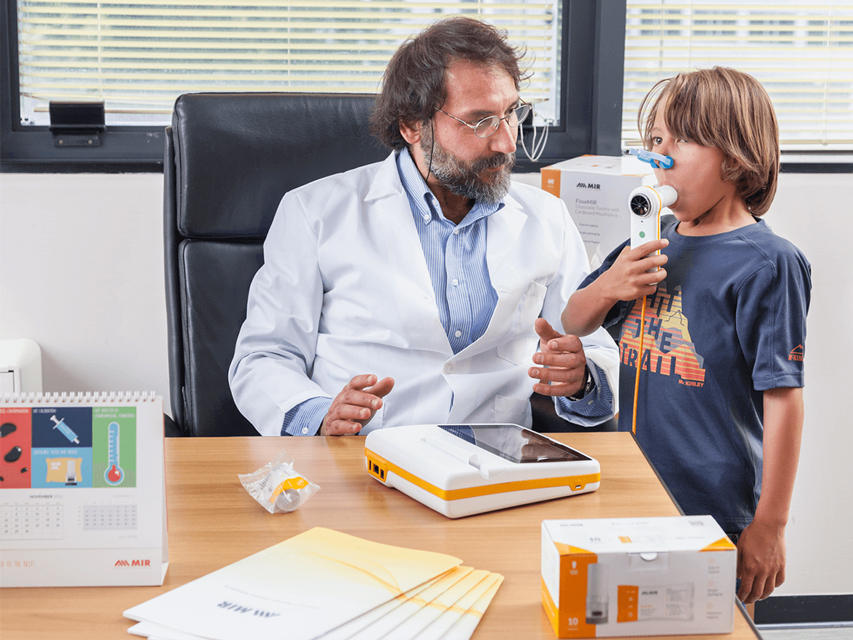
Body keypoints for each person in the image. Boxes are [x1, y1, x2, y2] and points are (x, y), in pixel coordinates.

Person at [228, 16, 619, 438]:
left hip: (497, 460)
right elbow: (264, 357)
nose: (507, 142)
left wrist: (581, 378)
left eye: (511, 113)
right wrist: (320, 415)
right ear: (412, 125)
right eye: (481, 121)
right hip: (365, 456)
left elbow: (591, 344)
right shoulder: (315, 213)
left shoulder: (548, 217)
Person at [562, 67, 811, 605]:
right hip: (632, 488)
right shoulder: (652, 238)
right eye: (655, 140)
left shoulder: (769, 264)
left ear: (736, 157)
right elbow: (575, 320)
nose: (660, 157)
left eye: (682, 140)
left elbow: (783, 397)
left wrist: (770, 524)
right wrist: (610, 284)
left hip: (714, 504)